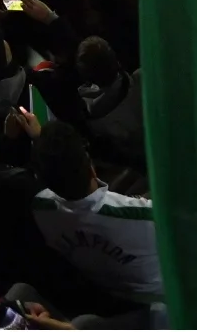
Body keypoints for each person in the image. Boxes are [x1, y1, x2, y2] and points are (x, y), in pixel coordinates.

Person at [32, 120, 161, 298]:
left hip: (106, 293)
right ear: (91, 168)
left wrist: (41, 142)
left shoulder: (41, 208)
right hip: (158, 298)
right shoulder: (140, 216)